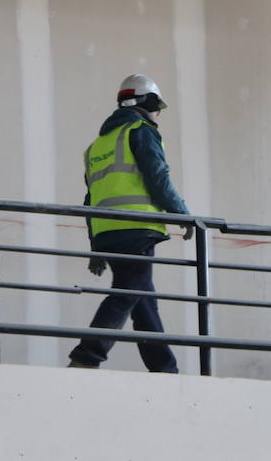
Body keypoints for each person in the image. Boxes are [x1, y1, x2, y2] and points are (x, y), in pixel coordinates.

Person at [68, 73, 190, 373]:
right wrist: (182, 213)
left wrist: (96, 245)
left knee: (142, 299)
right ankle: (87, 355)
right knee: (128, 292)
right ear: (146, 102)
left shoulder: (98, 145)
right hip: (136, 227)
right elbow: (158, 177)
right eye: (156, 105)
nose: (158, 113)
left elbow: (92, 198)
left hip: (108, 232)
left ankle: (164, 369)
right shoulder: (141, 130)